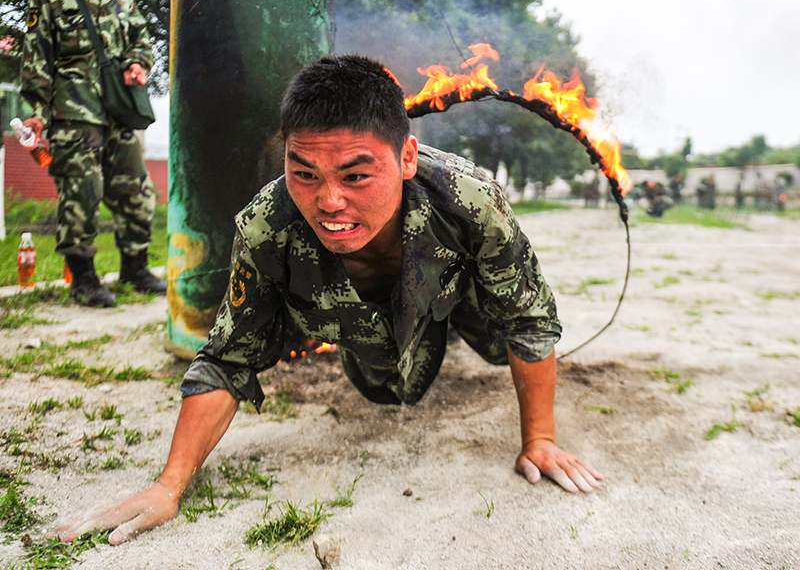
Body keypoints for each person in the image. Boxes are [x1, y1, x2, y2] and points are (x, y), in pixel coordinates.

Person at [49, 55, 602, 545]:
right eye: (304, 172)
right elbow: (226, 358)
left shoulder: (471, 201)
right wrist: (169, 485)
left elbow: (529, 319)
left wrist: (541, 439)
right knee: (386, 386)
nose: (329, 201)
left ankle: (448, 322)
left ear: (406, 157)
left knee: (504, 346)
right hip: (357, 329)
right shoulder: (268, 227)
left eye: (356, 175)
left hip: (457, 295)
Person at [20, 0, 166, 307]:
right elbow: (36, 55)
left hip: (117, 109)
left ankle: (135, 269)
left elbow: (141, 41)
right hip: (72, 111)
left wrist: (135, 63)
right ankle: (83, 277)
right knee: (82, 192)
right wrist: (40, 114)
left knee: (138, 191)